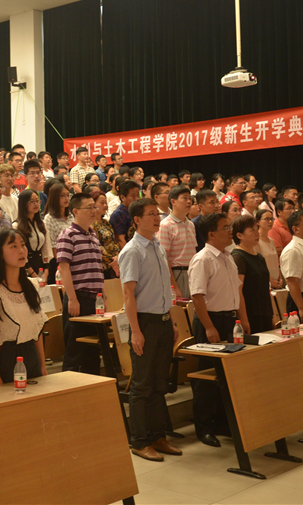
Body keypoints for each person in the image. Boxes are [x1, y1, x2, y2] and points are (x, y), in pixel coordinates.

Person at [118, 198, 181, 462]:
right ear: (136, 220)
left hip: (163, 321)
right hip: (144, 323)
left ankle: (157, 436)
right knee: (142, 385)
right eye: (151, 214)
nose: (157, 218)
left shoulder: (157, 246)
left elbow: (164, 288)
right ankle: (139, 441)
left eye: (158, 214)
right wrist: (135, 331)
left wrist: (172, 321)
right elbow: (128, 295)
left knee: (158, 384)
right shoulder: (132, 251)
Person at [188, 212, 248, 447]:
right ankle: (204, 428)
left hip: (229, 320)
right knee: (206, 377)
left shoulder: (228, 256)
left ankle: (223, 422)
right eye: (226, 228)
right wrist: (209, 327)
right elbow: (197, 297)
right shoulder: (202, 259)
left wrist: (242, 319)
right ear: (211, 234)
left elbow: (236, 291)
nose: (230, 231)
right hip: (210, 321)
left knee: (227, 376)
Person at [0, 229, 47, 384]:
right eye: (13, 246)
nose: (21, 250)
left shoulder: (32, 286)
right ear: (0, 254)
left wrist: (43, 366)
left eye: (22, 245)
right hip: (7, 359)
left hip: (32, 355)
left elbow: (37, 331)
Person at [58, 193, 104, 375]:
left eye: (94, 207)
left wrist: (102, 297)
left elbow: (97, 269)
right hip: (78, 298)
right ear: (76, 211)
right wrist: (72, 299)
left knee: (92, 351)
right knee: (74, 349)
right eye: (89, 207)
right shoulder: (68, 234)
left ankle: (92, 388)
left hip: (95, 300)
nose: (94, 211)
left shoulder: (93, 234)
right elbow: (64, 268)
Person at [231, 215, 273, 334]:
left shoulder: (259, 257)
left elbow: (265, 287)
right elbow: (238, 291)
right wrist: (244, 320)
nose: (257, 233)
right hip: (250, 313)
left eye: (256, 229)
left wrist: (271, 314)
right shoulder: (238, 257)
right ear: (239, 235)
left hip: (264, 312)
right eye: (252, 230)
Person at [158, 184, 197, 298]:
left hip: (193, 272)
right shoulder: (165, 225)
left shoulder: (191, 224)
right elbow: (164, 259)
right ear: (173, 201)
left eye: (189, 198)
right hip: (178, 273)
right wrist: (174, 286)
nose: (189, 201)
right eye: (184, 198)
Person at [14, 189, 52, 282]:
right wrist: (32, 273)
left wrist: (46, 271)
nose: (36, 204)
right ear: (24, 203)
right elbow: (19, 252)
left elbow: (46, 248)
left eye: (37, 201)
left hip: (40, 266)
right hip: (25, 267)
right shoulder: (16, 226)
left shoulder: (41, 224)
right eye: (32, 201)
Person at [89, 188, 120, 279]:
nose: (105, 205)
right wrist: (111, 260)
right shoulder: (91, 225)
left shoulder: (106, 223)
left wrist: (117, 257)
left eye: (106, 203)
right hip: (102, 266)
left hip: (115, 262)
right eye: (102, 203)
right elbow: (97, 246)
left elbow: (114, 241)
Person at [255, 208, 282, 288]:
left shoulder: (271, 240)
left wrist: (280, 278)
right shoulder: (256, 241)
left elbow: (275, 262)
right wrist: (270, 281)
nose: (270, 221)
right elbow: (258, 266)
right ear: (258, 222)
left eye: (271, 219)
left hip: (276, 281)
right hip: (265, 282)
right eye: (266, 219)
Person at [109, 179, 141, 249]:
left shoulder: (139, 211)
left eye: (138, 195)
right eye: (133, 196)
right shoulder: (118, 214)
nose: (137, 198)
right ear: (122, 197)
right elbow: (120, 240)